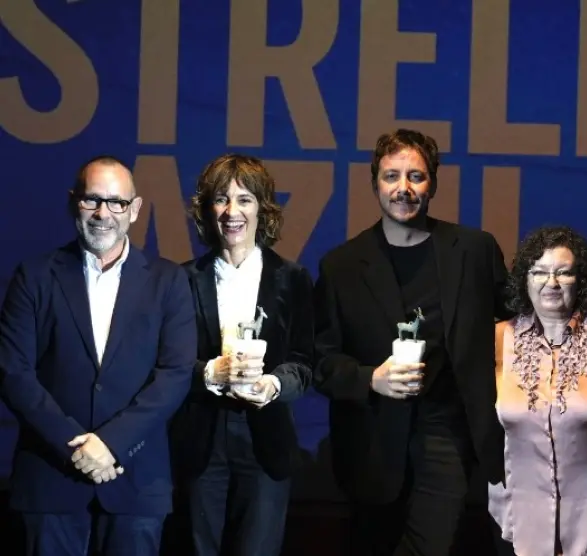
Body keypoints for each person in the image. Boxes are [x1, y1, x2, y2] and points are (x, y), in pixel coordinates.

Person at [312, 128, 515, 555]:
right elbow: (322, 363)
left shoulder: (475, 250)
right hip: (370, 440)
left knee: (431, 544)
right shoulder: (341, 266)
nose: (403, 188)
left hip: (448, 431)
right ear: (375, 184)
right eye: (391, 176)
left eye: (416, 177)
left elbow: (521, 320)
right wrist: (371, 378)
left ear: (434, 183)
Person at [0, 156, 196, 555]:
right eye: (92, 200)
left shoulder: (169, 281)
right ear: (74, 202)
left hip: (136, 480)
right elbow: (12, 372)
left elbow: (174, 374)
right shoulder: (34, 276)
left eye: (116, 202)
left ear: (135, 209)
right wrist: (75, 447)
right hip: (51, 479)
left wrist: (111, 444)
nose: (103, 213)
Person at [169, 154, 314, 555]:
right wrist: (209, 373)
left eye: (245, 199)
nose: (232, 212)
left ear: (262, 209)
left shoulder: (292, 279)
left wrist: (272, 383)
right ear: (207, 209)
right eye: (221, 199)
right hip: (200, 440)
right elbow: (168, 363)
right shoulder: (182, 280)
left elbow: (305, 361)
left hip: (266, 440)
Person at [489, 226, 587, 556]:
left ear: (581, 280)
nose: (551, 283)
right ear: (524, 279)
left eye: (563, 273)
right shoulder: (497, 339)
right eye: (539, 272)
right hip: (517, 520)